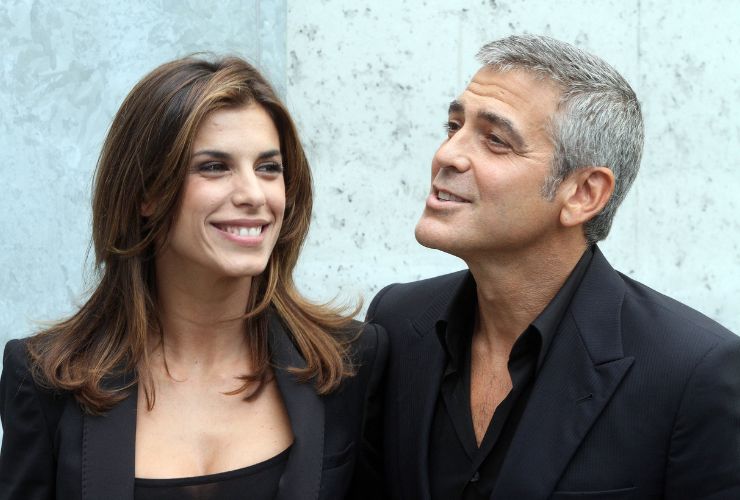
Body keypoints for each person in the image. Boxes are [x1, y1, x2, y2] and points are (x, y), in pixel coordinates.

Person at [364, 34, 740, 499]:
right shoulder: (396, 322)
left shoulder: (691, 372)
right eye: (453, 126)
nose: (447, 154)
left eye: (495, 140)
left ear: (583, 194)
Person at [0, 55, 386, 500]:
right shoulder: (47, 379)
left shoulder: (349, 363)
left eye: (268, 168)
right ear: (146, 193)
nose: (253, 195)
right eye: (214, 167)